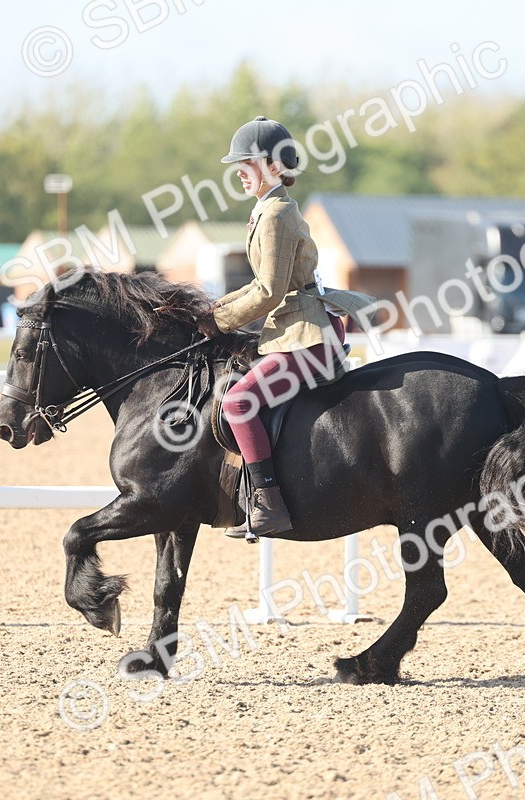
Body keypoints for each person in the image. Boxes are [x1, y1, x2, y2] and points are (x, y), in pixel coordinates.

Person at [195, 116, 374, 538]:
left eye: (247, 163)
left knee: (238, 404)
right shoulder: (267, 210)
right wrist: (209, 310)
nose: (238, 172)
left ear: (274, 167)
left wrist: (217, 322)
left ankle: (269, 503)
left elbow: (270, 292)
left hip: (306, 338)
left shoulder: (276, 214)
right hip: (294, 331)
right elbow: (259, 286)